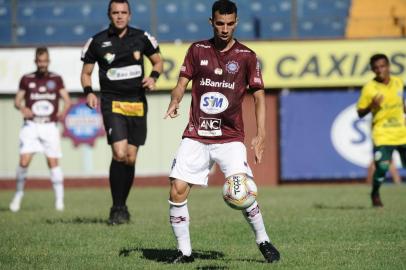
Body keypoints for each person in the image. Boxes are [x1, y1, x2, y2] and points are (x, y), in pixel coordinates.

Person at [164, 0, 280, 263]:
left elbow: (259, 97)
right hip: (196, 133)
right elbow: (181, 83)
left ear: (236, 23)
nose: (224, 28)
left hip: (229, 138)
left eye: (229, 23)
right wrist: (175, 99)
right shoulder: (197, 50)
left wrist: (261, 134)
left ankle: (264, 241)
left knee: (242, 192)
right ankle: (184, 253)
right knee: (177, 188)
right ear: (211, 22)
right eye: (219, 23)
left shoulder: (247, 57)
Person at [80, 0, 163, 225]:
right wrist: (89, 92)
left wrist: (153, 78)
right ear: (109, 14)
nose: (119, 16)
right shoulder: (97, 42)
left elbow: (158, 62)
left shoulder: (142, 38)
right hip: (112, 103)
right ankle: (116, 208)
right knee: (119, 153)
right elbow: (86, 73)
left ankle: (123, 206)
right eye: (115, 12)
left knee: (130, 157)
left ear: (130, 14)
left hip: (137, 103)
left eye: (123, 12)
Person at [9, 47, 71, 212]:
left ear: (48, 61)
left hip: (49, 127)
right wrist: (22, 108)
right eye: (39, 61)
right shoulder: (27, 79)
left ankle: (59, 200)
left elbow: (67, 100)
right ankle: (18, 194)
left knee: (53, 162)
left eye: (45, 61)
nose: (42, 64)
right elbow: (17, 101)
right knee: (24, 161)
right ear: (36, 61)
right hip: (31, 125)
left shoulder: (56, 79)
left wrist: (62, 112)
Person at [357, 53, 406, 207]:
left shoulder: (399, 82)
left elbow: (401, 103)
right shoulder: (369, 88)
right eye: (376, 68)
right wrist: (372, 105)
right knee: (383, 166)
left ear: (388, 66)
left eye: (382, 66)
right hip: (382, 134)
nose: (380, 70)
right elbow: (360, 112)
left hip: (402, 133)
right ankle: (375, 193)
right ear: (372, 70)